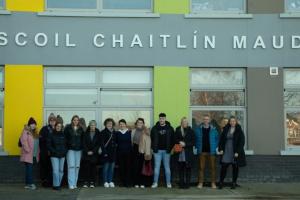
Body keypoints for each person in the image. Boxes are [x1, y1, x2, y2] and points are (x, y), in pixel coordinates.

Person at [218, 116, 246, 189]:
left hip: (235, 152)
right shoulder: (226, 129)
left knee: (235, 168)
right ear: (229, 122)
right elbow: (221, 140)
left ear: (236, 122)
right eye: (231, 121)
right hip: (226, 150)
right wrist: (220, 149)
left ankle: (234, 183)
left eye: (234, 121)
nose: (232, 122)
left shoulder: (239, 130)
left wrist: (237, 152)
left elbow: (242, 142)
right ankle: (221, 182)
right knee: (224, 167)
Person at [194, 114, 219, 189]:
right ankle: (200, 183)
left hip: (211, 152)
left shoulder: (214, 129)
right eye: (204, 119)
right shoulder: (198, 129)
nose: (206, 120)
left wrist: (215, 147)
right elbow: (195, 139)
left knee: (213, 168)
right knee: (201, 168)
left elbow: (217, 139)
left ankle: (213, 183)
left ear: (209, 120)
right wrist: (197, 147)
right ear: (203, 120)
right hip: (202, 152)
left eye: (207, 119)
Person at [151, 113, 174, 188]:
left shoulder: (170, 128)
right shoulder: (154, 128)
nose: (161, 120)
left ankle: (168, 183)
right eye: (160, 118)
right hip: (157, 151)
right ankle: (155, 183)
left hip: (167, 151)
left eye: (163, 118)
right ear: (159, 119)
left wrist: (171, 149)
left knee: (167, 167)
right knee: (156, 167)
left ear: (165, 119)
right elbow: (151, 139)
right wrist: (152, 148)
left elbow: (172, 140)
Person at [174, 117, 195, 189]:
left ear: (187, 123)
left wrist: (185, 144)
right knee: (181, 169)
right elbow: (174, 139)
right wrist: (179, 142)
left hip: (188, 153)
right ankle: (181, 184)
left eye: (186, 122)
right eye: (183, 122)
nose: (184, 123)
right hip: (179, 152)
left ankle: (187, 184)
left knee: (188, 169)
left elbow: (193, 142)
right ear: (181, 123)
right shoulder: (177, 129)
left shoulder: (191, 131)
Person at [64, 115, 84, 189]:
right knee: (71, 166)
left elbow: (83, 139)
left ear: (78, 121)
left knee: (77, 167)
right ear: (72, 120)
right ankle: (70, 184)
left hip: (78, 150)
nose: (76, 121)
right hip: (70, 150)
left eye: (77, 120)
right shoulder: (68, 128)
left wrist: (82, 147)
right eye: (74, 120)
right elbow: (65, 139)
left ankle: (75, 183)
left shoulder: (81, 129)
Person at [20, 117, 39, 190]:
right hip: (28, 154)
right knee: (29, 169)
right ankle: (30, 184)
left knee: (29, 169)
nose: (33, 125)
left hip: (34, 155)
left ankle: (27, 184)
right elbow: (23, 141)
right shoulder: (25, 131)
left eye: (34, 124)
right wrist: (28, 150)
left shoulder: (35, 133)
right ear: (29, 124)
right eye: (32, 124)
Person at [131, 118, 152, 188]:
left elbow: (148, 143)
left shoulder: (146, 132)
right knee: (135, 167)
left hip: (143, 151)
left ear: (143, 124)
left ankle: (142, 183)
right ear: (136, 124)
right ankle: (136, 183)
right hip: (134, 151)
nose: (139, 124)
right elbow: (131, 142)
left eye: (141, 123)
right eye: (138, 122)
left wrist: (147, 154)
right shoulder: (133, 131)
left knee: (142, 168)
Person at [47, 122, 67, 190]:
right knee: (55, 171)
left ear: (61, 127)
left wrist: (64, 151)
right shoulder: (51, 134)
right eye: (57, 126)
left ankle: (57, 184)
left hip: (62, 155)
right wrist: (54, 151)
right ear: (55, 126)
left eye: (60, 126)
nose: (59, 127)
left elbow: (66, 145)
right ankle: (56, 185)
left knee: (61, 171)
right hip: (54, 155)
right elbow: (48, 145)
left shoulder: (63, 135)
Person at [82, 120, 101, 188]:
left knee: (93, 169)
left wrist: (93, 151)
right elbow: (83, 143)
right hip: (86, 154)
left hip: (94, 154)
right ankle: (86, 182)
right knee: (86, 168)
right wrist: (87, 151)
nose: (92, 126)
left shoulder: (98, 133)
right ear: (89, 126)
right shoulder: (85, 133)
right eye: (91, 125)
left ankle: (92, 182)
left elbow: (98, 144)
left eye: (93, 125)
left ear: (95, 126)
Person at [39, 113, 56, 187]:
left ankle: (52, 182)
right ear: (49, 121)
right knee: (45, 167)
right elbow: (41, 140)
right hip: (45, 152)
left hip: (54, 152)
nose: (52, 121)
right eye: (51, 120)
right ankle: (45, 182)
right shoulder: (44, 129)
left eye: (54, 120)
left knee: (53, 168)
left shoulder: (57, 128)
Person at [100, 118, 117, 188]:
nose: (109, 124)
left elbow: (116, 142)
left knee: (112, 168)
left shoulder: (114, 132)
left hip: (113, 153)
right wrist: (104, 152)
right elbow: (102, 144)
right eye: (108, 123)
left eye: (111, 123)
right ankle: (105, 181)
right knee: (106, 168)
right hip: (106, 153)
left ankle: (110, 181)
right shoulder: (103, 132)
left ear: (112, 124)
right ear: (105, 124)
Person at [115, 119, 132, 187]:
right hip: (120, 153)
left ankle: (128, 182)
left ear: (125, 124)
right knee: (121, 168)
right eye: (120, 124)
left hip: (128, 152)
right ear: (119, 125)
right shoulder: (117, 133)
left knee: (128, 167)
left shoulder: (129, 132)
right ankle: (122, 182)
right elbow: (116, 143)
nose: (121, 125)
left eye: (123, 124)